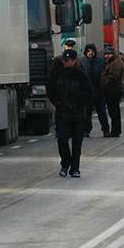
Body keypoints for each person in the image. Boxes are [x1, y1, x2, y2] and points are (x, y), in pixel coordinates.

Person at [47, 49, 93, 178]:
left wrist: (78, 104)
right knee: (62, 140)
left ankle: (75, 168)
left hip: (78, 115)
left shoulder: (81, 75)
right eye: (64, 60)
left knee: (77, 143)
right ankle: (65, 164)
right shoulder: (58, 75)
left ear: (74, 61)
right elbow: (51, 90)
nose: (66, 63)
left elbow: (89, 93)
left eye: (68, 61)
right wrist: (58, 103)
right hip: (62, 114)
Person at [80, 44, 109, 137]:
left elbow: (105, 73)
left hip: (99, 91)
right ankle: (86, 130)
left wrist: (104, 85)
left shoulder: (100, 61)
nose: (90, 53)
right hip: (87, 92)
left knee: (102, 112)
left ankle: (106, 130)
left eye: (92, 51)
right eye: (88, 51)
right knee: (87, 113)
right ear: (85, 52)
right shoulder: (82, 62)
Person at [100, 46, 124, 137]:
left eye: (108, 54)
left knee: (114, 111)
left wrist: (104, 81)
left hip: (114, 90)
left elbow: (114, 76)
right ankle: (115, 130)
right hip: (111, 90)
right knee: (113, 111)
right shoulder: (112, 62)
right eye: (105, 54)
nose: (106, 56)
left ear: (113, 54)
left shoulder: (116, 63)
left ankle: (115, 131)